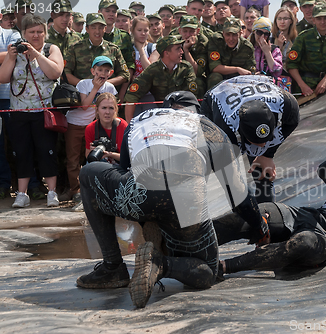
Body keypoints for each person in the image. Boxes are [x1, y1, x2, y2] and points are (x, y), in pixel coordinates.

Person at [76, 91, 269, 309]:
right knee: (207, 270)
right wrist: (259, 225)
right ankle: (162, 264)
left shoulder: (140, 120)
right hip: (185, 203)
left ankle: (113, 267)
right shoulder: (209, 128)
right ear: (196, 111)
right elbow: (239, 198)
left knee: (89, 172)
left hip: (140, 195)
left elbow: (124, 171)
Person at [201, 75, 300, 203]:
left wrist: (268, 154)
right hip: (218, 96)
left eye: (266, 139)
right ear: (240, 132)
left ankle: (267, 211)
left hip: (252, 85)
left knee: (263, 171)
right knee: (228, 176)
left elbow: (293, 122)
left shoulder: (287, 105)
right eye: (255, 141)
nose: (262, 145)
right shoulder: (225, 129)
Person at [0, 14, 64, 208]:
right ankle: (22, 194)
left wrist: (37, 55)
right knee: (22, 152)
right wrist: (11, 58)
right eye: (31, 32)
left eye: (39, 32)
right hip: (19, 111)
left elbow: (55, 72)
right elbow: (3, 78)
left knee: (47, 151)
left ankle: (51, 192)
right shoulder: (16, 51)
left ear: (45, 32)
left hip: (44, 112)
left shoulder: (50, 49)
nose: (36, 36)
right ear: (24, 34)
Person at [64, 56, 119, 202]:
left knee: (92, 156)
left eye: (106, 70)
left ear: (110, 73)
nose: (102, 73)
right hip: (75, 124)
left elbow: (112, 109)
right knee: (73, 159)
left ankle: (92, 188)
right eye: (99, 69)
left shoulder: (110, 88)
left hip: (94, 127)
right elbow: (84, 105)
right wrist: (95, 88)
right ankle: (75, 190)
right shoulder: (84, 84)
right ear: (92, 71)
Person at [124, 35, 197, 122]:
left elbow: (191, 95)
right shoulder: (153, 70)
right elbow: (132, 96)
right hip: (160, 114)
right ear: (166, 53)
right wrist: (129, 125)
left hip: (183, 113)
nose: (181, 51)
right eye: (178, 49)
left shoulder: (186, 68)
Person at [64, 13, 130, 90]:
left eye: (100, 28)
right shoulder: (75, 48)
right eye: (93, 28)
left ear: (105, 29)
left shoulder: (113, 49)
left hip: (107, 96)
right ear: (87, 29)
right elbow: (65, 73)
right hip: (82, 95)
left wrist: (105, 84)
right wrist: (85, 85)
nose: (97, 31)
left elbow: (125, 74)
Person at [287, 3, 326, 97]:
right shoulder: (303, 37)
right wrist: (302, 85)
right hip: (306, 87)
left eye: (325, 18)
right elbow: (291, 64)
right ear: (313, 20)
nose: (322, 22)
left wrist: (325, 80)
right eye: (319, 18)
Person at [0, 10, 21, 200]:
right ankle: (3, 184)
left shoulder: (10, 33)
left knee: (15, 141)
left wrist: (7, 56)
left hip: (8, 96)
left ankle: (21, 185)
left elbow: (15, 52)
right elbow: (6, 56)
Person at [206, 17, 256, 89]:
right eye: (228, 34)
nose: (231, 38)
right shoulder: (216, 40)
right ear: (223, 33)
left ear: (240, 33)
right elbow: (215, 67)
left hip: (238, 79)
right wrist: (237, 69)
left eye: (234, 34)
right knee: (215, 77)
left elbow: (250, 72)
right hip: (220, 77)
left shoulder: (247, 47)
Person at [84, 93, 127, 165]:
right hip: (100, 164)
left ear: (115, 110)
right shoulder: (90, 128)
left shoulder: (123, 126)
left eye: (111, 108)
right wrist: (93, 151)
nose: (107, 112)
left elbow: (128, 158)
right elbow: (88, 157)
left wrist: (109, 154)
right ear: (97, 110)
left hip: (120, 165)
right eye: (104, 108)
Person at [178, 15, 209, 99]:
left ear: (197, 31)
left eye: (192, 31)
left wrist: (186, 50)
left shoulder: (202, 43)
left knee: (196, 81)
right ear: (179, 31)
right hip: (178, 74)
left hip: (196, 77)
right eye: (185, 31)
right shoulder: (175, 42)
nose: (188, 35)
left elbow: (196, 72)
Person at [271, 7, 297, 72]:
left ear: (291, 21)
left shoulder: (296, 40)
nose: (282, 22)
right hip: (274, 75)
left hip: (291, 75)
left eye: (285, 19)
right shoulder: (270, 38)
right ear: (275, 21)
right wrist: (278, 47)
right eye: (279, 19)